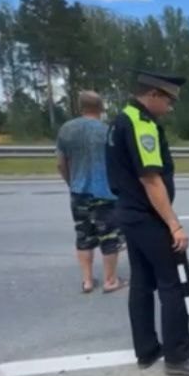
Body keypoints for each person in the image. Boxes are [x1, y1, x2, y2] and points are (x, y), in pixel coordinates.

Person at [105, 69, 189, 376]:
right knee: (174, 283)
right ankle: (178, 357)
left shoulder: (120, 119)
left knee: (141, 283)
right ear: (152, 95)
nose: (171, 107)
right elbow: (151, 180)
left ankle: (147, 349)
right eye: (169, 100)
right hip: (148, 216)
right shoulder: (141, 125)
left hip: (128, 213)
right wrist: (174, 225)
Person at [56, 90, 127, 294]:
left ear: (80, 107)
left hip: (79, 192)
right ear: (101, 107)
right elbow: (118, 164)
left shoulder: (66, 130)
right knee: (109, 237)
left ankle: (87, 281)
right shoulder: (107, 131)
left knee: (83, 235)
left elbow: (61, 163)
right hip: (104, 192)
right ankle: (110, 280)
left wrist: (72, 183)